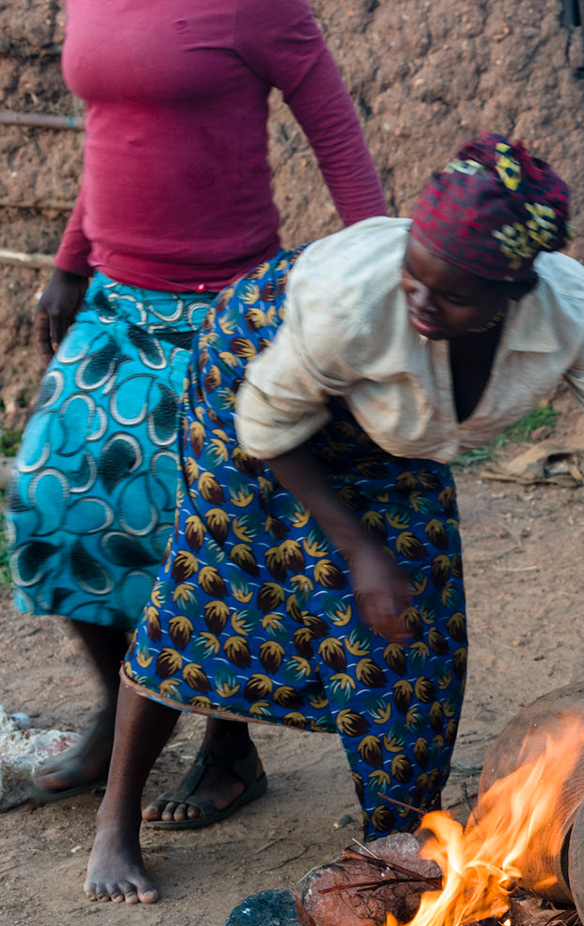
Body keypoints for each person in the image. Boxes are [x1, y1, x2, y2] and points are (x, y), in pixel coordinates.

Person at [83, 135, 584, 904]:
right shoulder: (357, 296)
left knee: (415, 635)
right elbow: (269, 423)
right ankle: (118, 822)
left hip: (396, 429)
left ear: (512, 293)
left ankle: (393, 842)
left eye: (449, 295)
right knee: (212, 585)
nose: (420, 299)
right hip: (256, 385)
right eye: (414, 273)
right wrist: (356, 548)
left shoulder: (566, 311)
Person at [6, 0, 386, 828]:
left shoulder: (261, 5)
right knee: (46, 494)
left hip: (227, 305)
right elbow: (113, 128)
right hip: (116, 299)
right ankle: (123, 704)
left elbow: (338, 142)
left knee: (208, 526)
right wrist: (71, 260)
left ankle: (228, 747)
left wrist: (383, 283)